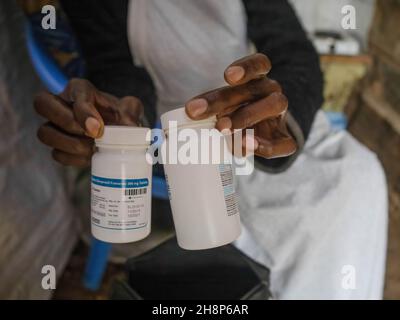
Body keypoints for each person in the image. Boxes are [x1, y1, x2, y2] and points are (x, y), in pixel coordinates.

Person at [33, 0, 388, 299]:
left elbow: (294, 51)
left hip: (254, 112)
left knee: (357, 177)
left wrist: (282, 112)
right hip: (172, 132)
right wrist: (123, 121)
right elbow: (115, 65)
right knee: (254, 238)